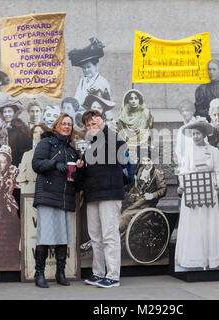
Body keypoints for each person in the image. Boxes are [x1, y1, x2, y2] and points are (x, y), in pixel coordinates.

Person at [74, 109, 127, 288]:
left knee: (109, 235)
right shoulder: (88, 144)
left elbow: (122, 150)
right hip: (92, 195)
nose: (91, 127)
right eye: (88, 125)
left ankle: (113, 276)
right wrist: (80, 167)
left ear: (101, 122)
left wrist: (104, 128)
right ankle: (98, 273)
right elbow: (85, 173)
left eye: (94, 123)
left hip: (110, 194)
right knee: (95, 237)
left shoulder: (112, 138)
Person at [31, 114, 80, 288]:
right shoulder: (46, 143)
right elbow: (36, 164)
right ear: (57, 125)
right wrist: (54, 164)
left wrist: (79, 172)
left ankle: (60, 273)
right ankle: (40, 274)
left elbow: (76, 180)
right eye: (64, 124)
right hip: (48, 195)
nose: (67, 127)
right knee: (44, 237)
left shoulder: (72, 150)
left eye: (70, 125)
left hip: (65, 197)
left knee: (62, 237)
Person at [175, 117, 219, 270]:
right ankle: (194, 258)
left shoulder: (213, 151)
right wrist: (182, 187)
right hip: (193, 189)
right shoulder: (188, 151)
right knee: (194, 222)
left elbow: (216, 170)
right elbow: (184, 171)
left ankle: (210, 258)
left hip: (208, 189)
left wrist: (217, 184)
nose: (195, 136)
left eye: (198, 134)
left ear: (204, 135)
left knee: (208, 222)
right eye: (193, 134)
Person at [119, 156, 167, 234]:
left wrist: (151, 195)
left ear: (152, 161)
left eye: (148, 160)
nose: (145, 163)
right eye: (143, 161)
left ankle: (114, 234)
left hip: (146, 204)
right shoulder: (140, 171)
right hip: (136, 201)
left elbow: (163, 189)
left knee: (126, 215)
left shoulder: (157, 173)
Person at [0, 100, 31, 168]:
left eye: (9, 111)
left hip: (16, 165)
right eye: (4, 112)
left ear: (14, 113)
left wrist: (21, 165)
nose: (7, 114)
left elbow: (26, 149)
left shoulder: (22, 128)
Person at [69, 38, 111, 106]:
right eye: (84, 68)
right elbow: (77, 98)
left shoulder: (102, 82)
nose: (86, 70)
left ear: (95, 66)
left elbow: (106, 102)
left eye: (88, 67)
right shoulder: (83, 81)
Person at [117, 89, 154, 156]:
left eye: (136, 98)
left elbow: (149, 131)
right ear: (127, 101)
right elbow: (121, 134)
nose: (133, 101)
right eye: (131, 99)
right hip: (128, 146)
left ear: (140, 100)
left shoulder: (146, 114)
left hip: (143, 145)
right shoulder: (122, 116)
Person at [17, 124, 48, 194]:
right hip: (30, 191)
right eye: (35, 132)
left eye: (41, 132)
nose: (38, 134)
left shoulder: (51, 154)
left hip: (46, 192)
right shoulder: (27, 155)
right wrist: (25, 191)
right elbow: (21, 177)